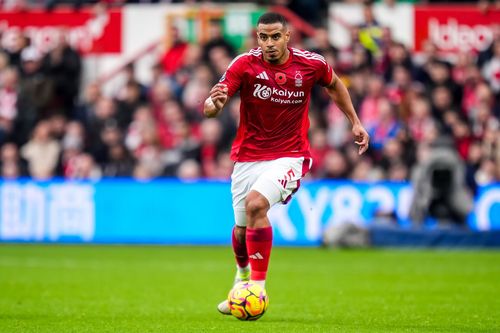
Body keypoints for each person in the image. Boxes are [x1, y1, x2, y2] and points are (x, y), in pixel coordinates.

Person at [203, 12, 370, 315]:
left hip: (290, 155)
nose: (268, 43)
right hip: (248, 157)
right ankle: (240, 280)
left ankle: (257, 288)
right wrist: (212, 106)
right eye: (263, 37)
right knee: (241, 230)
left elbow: (334, 85)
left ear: (287, 36)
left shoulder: (310, 63)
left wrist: (355, 122)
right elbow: (213, 104)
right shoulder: (244, 64)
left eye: (275, 36)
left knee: (256, 206)